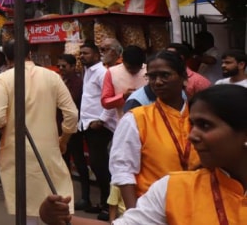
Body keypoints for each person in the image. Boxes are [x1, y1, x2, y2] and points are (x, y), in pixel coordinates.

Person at [40, 84, 247, 225]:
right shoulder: (174, 188)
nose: (192, 136)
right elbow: (123, 168)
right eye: (192, 125)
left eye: (205, 125)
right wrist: (63, 219)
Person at [0, 39, 78, 225]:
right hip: (49, 148)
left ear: (7, 59)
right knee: (53, 200)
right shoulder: (52, 77)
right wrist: (64, 139)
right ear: (29, 53)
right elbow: (72, 114)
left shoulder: (4, 79)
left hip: (16, 151)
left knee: (26, 206)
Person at [110, 51, 199, 210]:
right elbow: (123, 170)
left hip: (200, 204)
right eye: (151, 76)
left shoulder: (201, 117)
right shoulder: (136, 119)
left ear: (183, 78)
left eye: (165, 75)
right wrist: (135, 215)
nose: (157, 82)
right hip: (155, 210)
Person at [78, 40, 114, 220]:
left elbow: (110, 98)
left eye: (86, 53)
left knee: (101, 166)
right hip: (88, 124)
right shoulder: (88, 72)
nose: (82, 56)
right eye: (81, 53)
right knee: (96, 165)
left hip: (99, 126)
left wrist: (101, 119)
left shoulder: (102, 72)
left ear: (96, 54)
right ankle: (102, 203)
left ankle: (109, 206)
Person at [56, 54, 95, 212]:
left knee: (79, 163)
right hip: (60, 128)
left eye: (64, 66)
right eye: (59, 66)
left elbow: (70, 102)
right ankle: (65, 197)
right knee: (62, 164)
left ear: (73, 67)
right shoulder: (60, 81)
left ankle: (85, 198)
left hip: (74, 130)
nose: (61, 69)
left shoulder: (78, 82)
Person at [101, 46, 147, 119]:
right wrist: (123, 97)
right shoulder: (112, 72)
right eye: (129, 68)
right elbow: (105, 102)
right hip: (124, 123)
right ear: (122, 60)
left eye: (138, 67)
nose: (133, 71)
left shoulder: (149, 71)